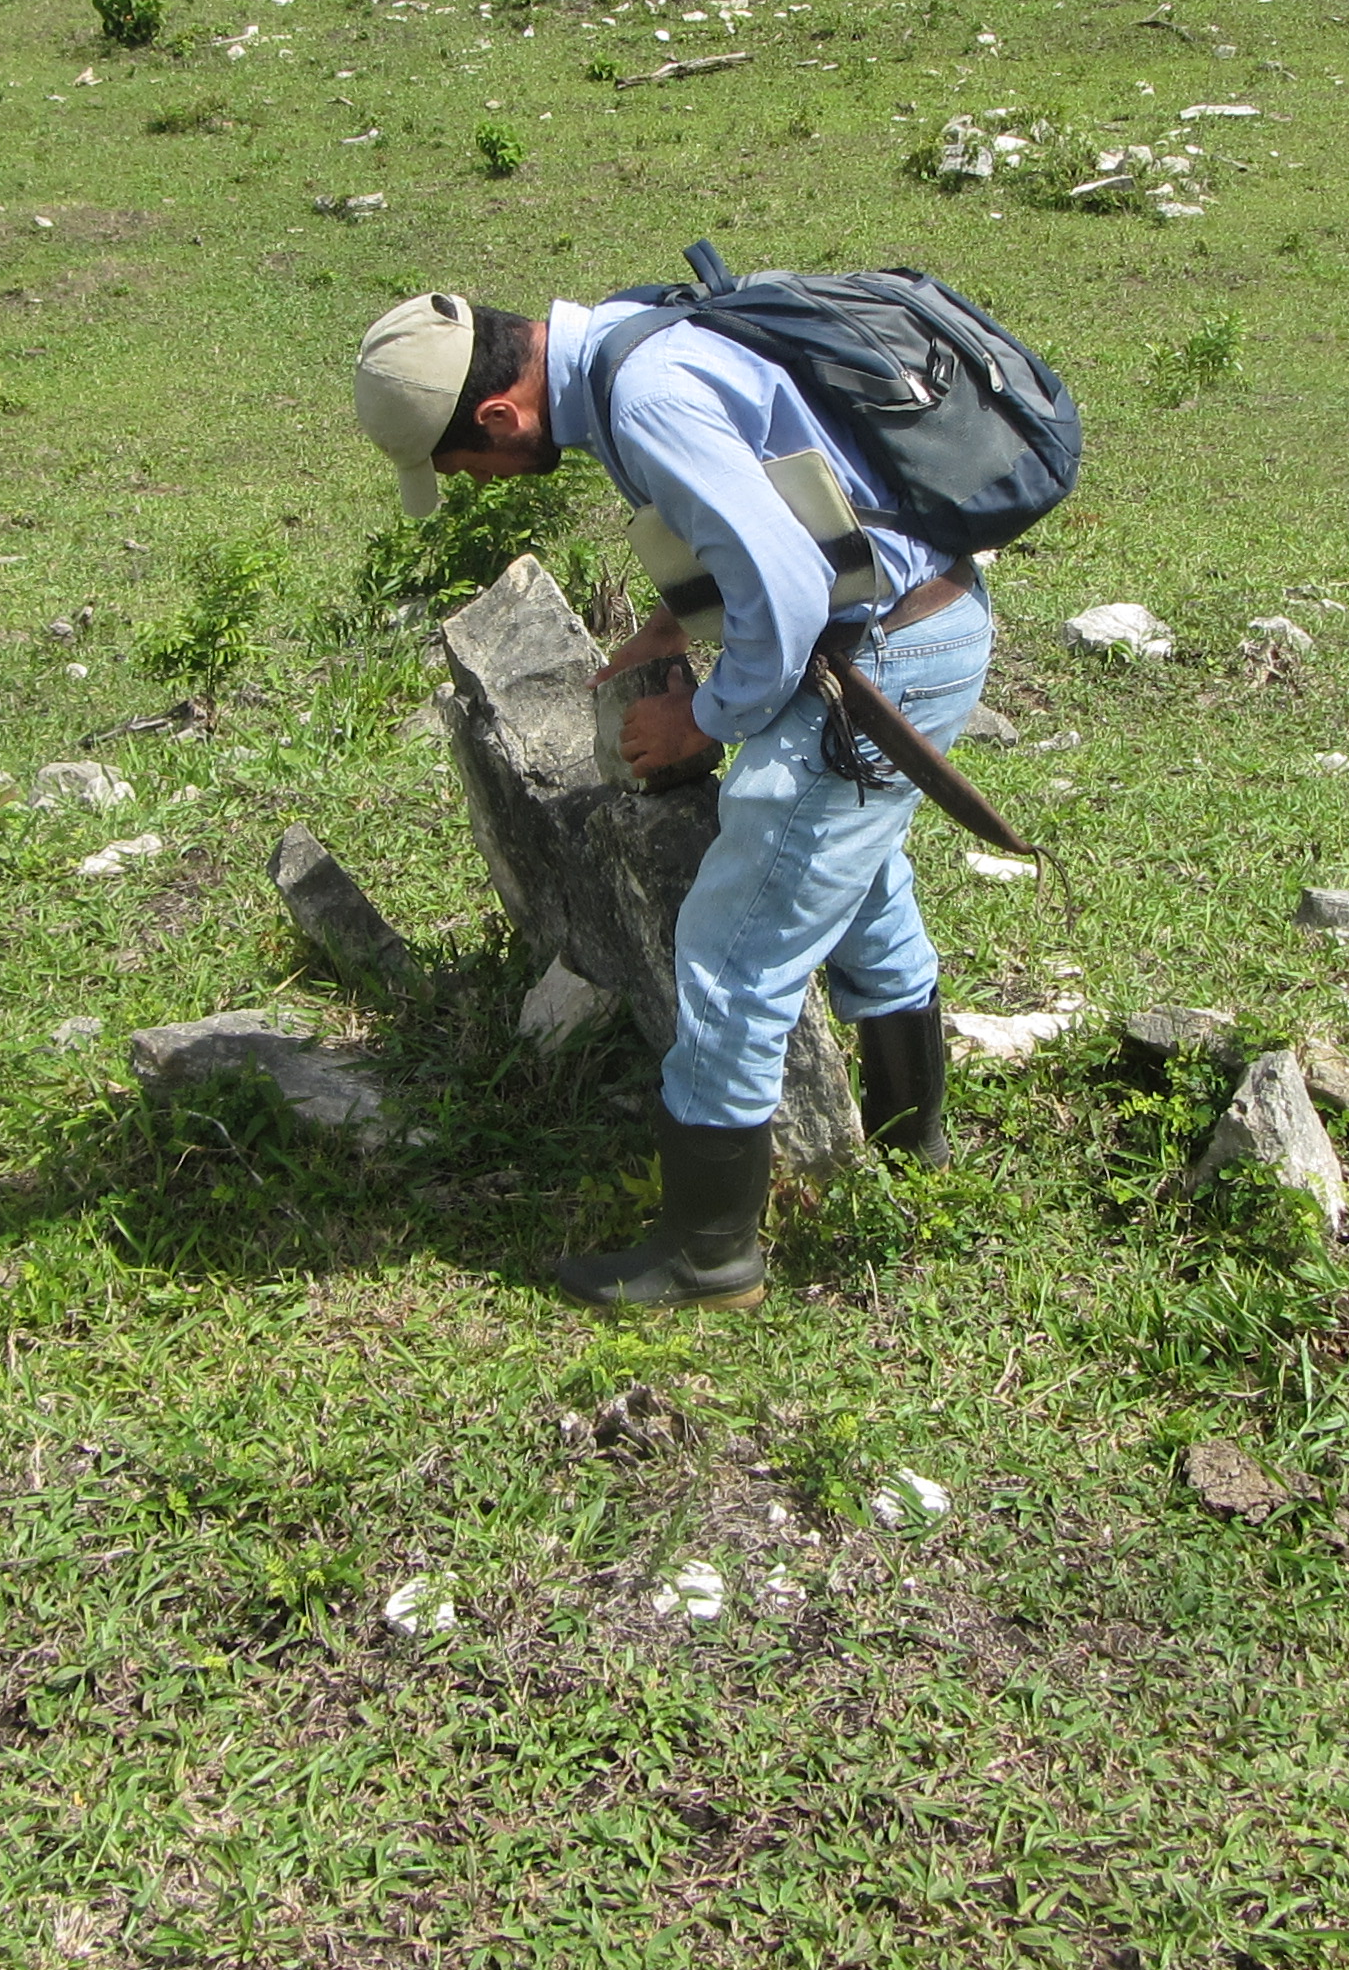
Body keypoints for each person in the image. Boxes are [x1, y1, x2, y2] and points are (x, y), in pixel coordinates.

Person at [352, 287, 994, 1309]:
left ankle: (709, 1252)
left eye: (458, 465)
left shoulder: (641, 398)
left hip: (876, 652)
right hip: (904, 626)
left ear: (498, 418)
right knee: (855, 888)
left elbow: (781, 588)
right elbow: (759, 502)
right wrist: (671, 623)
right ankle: (915, 1156)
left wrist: (704, 719)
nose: (469, 484)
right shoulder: (620, 343)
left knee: (733, 944)